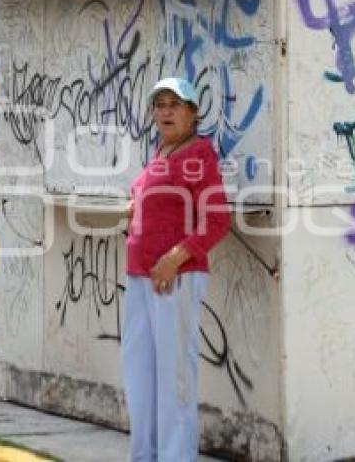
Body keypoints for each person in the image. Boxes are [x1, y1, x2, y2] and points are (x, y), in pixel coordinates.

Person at [122, 77, 231, 461]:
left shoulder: (199, 154)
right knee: (139, 376)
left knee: (174, 377)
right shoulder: (160, 151)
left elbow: (217, 220)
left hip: (174, 277)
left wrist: (175, 257)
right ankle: (145, 455)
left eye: (175, 103)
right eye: (159, 104)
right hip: (139, 275)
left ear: (192, 113)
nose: (165, 111)